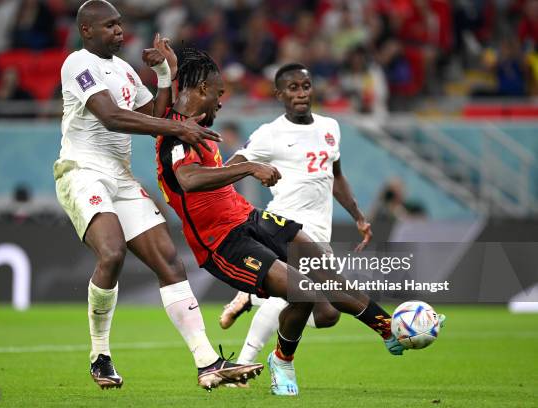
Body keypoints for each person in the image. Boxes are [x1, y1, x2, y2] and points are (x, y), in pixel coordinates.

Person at [155, 49, 407, 396]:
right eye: (219, 94)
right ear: (200, 91)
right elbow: (189, 180)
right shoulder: (174, 137)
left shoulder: (194, 125)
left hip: (251, 217)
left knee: (326, 275)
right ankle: (282, 360)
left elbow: (167, 100)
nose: (221, 103)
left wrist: (166, 69)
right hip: (222, 242)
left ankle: (389, 328)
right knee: (304, 291)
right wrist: (248, 167)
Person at [53, 0, 261, 392]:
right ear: (87, 31)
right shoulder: (78, 64)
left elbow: (159, 118)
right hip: (82, 171)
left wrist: (166, 73)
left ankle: (208, 364)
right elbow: (112, 116)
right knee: (112, 252)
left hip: (121, 176)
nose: (119, 32)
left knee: (169, 261)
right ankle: (100, 354)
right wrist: (181, 131)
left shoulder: (125, 70)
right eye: (111, 26)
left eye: (120, 25)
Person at [218, 62, 378, 366]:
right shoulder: (270, 133)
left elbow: (337, 177)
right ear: (279, 94)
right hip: (285, 227)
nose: (301, 93)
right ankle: (243, 364)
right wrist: (223, 183)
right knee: (294, 292)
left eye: (306, 86)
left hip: (319, 231)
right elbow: (232, 165)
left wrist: (358, 216)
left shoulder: (330, 127)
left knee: (328, 314)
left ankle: (251, 296)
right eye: (293, 88)